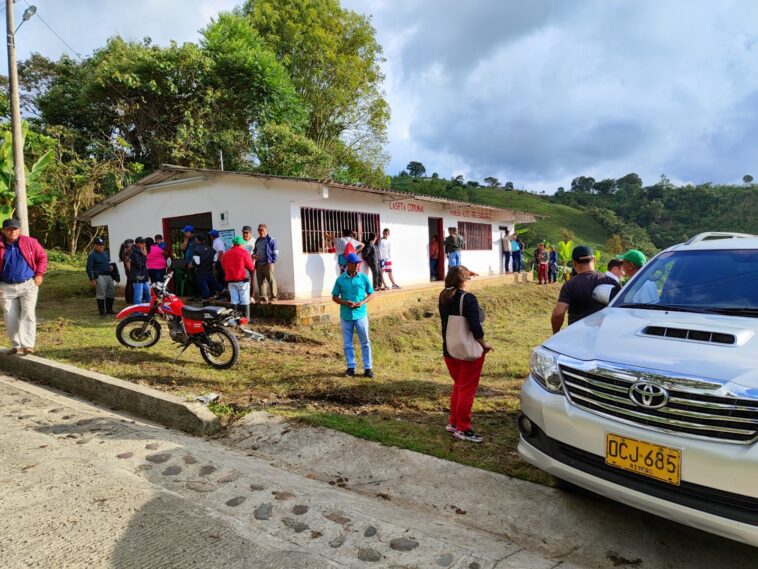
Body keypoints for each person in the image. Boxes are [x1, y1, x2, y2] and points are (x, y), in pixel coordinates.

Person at [438, 265, 492, 443]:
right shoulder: (468, 298)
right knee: (467, 390)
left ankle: (453, 422)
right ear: (464, 281)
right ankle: (463, 428)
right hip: (467, 351)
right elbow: (475, 326)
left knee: (458, 386)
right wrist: (483, 344)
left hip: (450, 349)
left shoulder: (444, 296)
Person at [0, 219, 48, 355]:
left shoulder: (30, 242)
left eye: (15, 229)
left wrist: (39, 274)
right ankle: (17, 345)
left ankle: (27, 345)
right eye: (9, 229)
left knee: (28, 313)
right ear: (3, 230)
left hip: (28, 284)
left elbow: (42, 257)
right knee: (10, 315)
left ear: (19, 230)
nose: (12, 231)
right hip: (6, 286)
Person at [551, 245, 620, 333]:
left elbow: (558, 314)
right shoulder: (611, 281)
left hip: (577, 334)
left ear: (574, 263)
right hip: (603, 334)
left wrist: (556, 334)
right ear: (594, 260)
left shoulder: (570, 285)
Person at [331, 252, 375, 378]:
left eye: (358, 263)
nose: (357, 266)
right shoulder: (340, 280)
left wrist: (362, 302)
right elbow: (334, 297)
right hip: (346, 315)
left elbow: (372, 293)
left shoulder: (363, 278)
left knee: (365, 341)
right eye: (355, 264)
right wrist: (345, 302)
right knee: (347, 343)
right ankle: (351, 367)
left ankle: (368, 368)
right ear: (348, 264)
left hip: (361, 314)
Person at [222, 236, 256, 320]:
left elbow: (223, 266)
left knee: (234, 300)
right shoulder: (244, 253)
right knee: (244, 300)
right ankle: (245, 319)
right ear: (240, 244)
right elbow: (251, 267)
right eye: (242, 244)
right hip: (242, 280)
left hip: (230, 281)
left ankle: (234, 319)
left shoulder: (226, 254)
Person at [86, 237, 116, 316]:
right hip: (99, 276)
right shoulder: (92, 255)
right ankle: (102, 312)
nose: (101, 246)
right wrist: (92, 279)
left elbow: (107, 262)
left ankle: (109, 309)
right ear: (95, 245)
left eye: (102, 245)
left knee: (111, 292)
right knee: (101, 293)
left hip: (108, 275)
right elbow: (88, 268)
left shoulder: (105, 254)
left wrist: (111, 267)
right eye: (99, 245)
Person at [191, 232, 223, 306]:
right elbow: (215, 258)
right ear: (204, 240)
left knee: (204, 289)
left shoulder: (196, 250)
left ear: (197, 240)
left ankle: (206, 307)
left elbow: (197, 262)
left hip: (200, 273)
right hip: (209, 271)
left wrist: (192, 264)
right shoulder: (210, 248)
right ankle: (225, 292)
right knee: (215, 285)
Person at [253, 224, 279, 303]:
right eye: (259, 230)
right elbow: (255, 250)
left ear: (266, 230)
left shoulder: (271, 240)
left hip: (268, 264)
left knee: (271, 280)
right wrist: (253, 255)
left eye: (262, 230)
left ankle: (274, 297)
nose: (261, 232)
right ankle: (263, 297)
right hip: (259, 264)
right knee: (261, 281)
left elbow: (276, 252)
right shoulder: (257, 240)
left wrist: (272, 262)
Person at [127, 237, 150, 304]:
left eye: (144, 243)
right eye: (142, 243)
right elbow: (139, 265)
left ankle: (147, 309)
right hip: (137, 277)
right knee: (138, 296)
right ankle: (137, 313)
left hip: (144, 276)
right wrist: (144, 256)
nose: (144, 245)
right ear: (137, 244)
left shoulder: (141, 252)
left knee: (148, 293)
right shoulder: (134, 253)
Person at [181, 225, 198, 299]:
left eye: (185, 232)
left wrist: (193, 262)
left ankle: (197, 295)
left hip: (193, 263)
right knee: (189, 279)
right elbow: (183, 248)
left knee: (194, 279)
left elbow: (197, 252)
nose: (184, 234)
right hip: (187, 263)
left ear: (189, 232)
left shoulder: (195, 240)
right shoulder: (188, 240)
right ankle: (193, 295)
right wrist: (186, 239)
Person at [119, 239, 134, 304]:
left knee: (129, 284)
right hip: (130, 270)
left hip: (129, 270)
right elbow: (127, 263)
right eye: (132, 243)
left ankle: (129, 299)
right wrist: (130, 270)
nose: (133, 244)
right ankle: (130, 299)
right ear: (128, 244)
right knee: (130, 285)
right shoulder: (126, 253)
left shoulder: (126, 252)